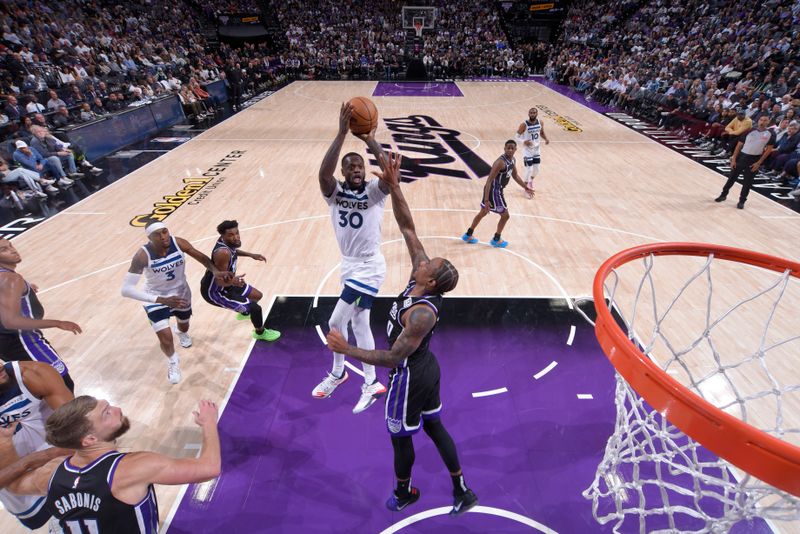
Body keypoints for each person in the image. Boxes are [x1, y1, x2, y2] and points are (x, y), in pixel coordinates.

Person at [327, 152, 478, 516]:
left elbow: (393, 357)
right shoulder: (420, 277)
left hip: (410, 374)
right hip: (426, 367)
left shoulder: (423, 312)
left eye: (431, 264)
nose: (424, 258)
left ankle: (405, 492)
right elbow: (408, 227)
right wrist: (394, 187)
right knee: (434, 425)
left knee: (400, 437)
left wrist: (346, 348)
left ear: (432, 281)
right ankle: (461, 488)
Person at [6, 396, 221, 533]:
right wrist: (209, 422)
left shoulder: (52, 471)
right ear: (90, 440)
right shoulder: (133, 468)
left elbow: (13, 486)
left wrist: (13, 449)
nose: (117, 409)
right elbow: (210, 468)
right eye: (106, 413)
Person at [312, 102, 389, 414]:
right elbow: (322, 173)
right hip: (349, 265)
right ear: (344, 172)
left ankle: (338, 372)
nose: (357, 169)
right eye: (351, 167)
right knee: (359, 323)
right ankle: (371, 381)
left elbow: (390, 175)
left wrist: (370, 140)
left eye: (360, 166)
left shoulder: (373, 191)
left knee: (335, 321)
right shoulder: (333, 192)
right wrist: (342, 133)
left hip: (369, 266)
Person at [120, 223, 228, 384]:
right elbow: (126, 290)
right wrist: (161, 300)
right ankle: (173, 361)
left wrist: (215, 270)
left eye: (165, 231)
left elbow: (202, 258)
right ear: (150, 238)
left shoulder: (179, 243)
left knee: (184, 326)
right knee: (166, 339)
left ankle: (182, 332)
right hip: (155, 298)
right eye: (157, 234)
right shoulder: (143, 256)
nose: (163, 236)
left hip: (181, 294)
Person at [0, 360, 74, 528]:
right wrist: (37, 458)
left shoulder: (33, 374)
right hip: (16, 486)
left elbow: (81, 428)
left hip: (60, 465)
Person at [0, 238, 81, 391]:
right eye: (4, 249)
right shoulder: (11, 279)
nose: (12, 250)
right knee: (62, 385)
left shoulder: (8, 278)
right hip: (24, 340)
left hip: (6, 344)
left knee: (36, 388)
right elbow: (11, 321)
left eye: (10, 245)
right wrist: (57, 323)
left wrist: (23, 288)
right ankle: (70, 415)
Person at [200, 220, 280, 342]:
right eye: (231, 235)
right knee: (255, 309)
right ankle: (260, 332)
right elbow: (219, 282)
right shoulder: (222, 253)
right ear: (223, 236)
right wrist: (233, 282)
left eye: (237, 233)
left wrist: (251, 255)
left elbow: (234, 251)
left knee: (257, 296)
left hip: (228, 284)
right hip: (215, 292)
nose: (236, 237)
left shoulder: (226, 244)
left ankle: (243, 311)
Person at [461, 140, 532, 248]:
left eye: (512, 148)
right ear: (504, 148)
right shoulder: (500, 162)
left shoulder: (512, 160)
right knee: (505, 216)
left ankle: (468, 234)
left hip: (497, 190)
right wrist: (486, 200)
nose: (510, 150)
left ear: (515, 149)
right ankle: (496, 239)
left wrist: (525, 187)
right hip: (494, 191)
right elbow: (489, 181)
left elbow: (515, 176)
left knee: (483, 212)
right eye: (508, 148)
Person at [715, 115, 775, 209]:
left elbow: (768, 150)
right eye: (761, 119)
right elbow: (739, 146)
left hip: (754, 159)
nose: (762, 122)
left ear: (769, 122)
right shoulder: (749, 131)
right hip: (742, 157)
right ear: (758, 121)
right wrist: (734, 159)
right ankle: (723, 195)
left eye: (765, 120)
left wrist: (759, 163)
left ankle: (742, 201)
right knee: (731, 178)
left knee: (747, 182)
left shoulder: (771, 134)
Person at [515, 107, 550, 197]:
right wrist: (523, 141)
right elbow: (516, 136)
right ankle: (526, 188)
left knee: (536, 170)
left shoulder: (540, 122)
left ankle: (530, 181)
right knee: (529, 169)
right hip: (527, 150)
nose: (532, 114)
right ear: (528, 114)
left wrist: (546, 139)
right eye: (531, 113)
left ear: (537, 114)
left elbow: (541, 132)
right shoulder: (524, 124)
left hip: (536, 149)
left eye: (534, 112)